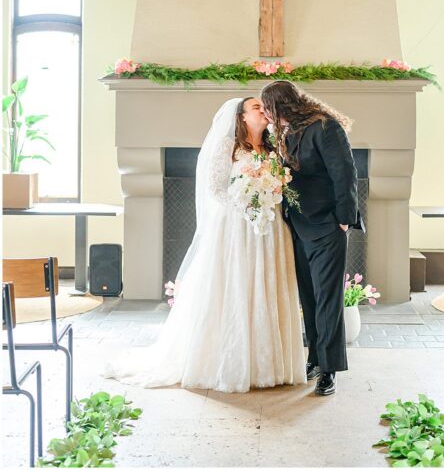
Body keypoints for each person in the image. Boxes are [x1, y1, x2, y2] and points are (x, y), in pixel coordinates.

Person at [103, 97, 304, 392]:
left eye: (264, 107)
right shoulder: (228, 147)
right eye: (256, 108)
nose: (263, 111)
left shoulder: (274, 147)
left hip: (270, 227)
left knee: (266, 285)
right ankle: (231, 364)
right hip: (236, 227)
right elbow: (216, 188)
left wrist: (267, 199)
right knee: (235, 286)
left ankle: (268, 365)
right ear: (242, 117)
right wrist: (245, 207)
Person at [260, 80, 362, 397]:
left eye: (267, 108)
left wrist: (344, 219)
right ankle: (315, 358)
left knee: (328, 300)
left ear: (281, 105)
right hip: (298, 226)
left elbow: (345, 173)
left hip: (328, 226)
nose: (265, 115)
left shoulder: (325, 127)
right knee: (309, 298)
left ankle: (329, 370)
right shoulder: (285, 133)